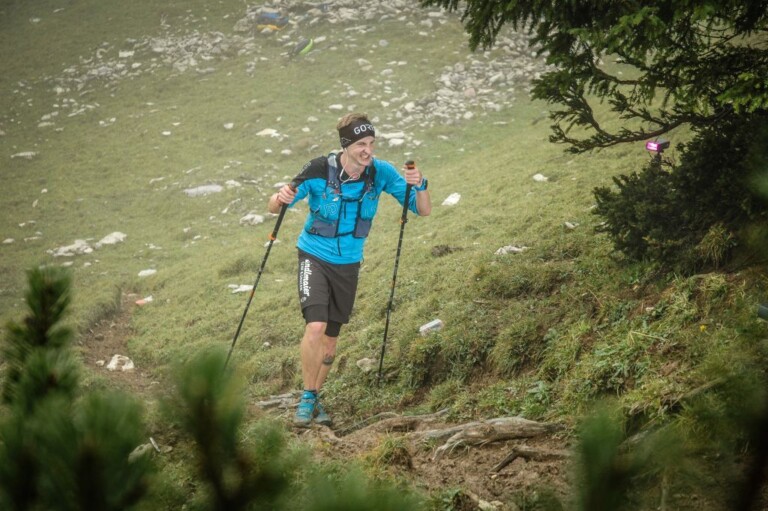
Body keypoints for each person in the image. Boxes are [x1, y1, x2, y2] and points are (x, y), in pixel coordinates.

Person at [268, 112, 432, 427]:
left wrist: (420, 184)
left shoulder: (380, 173)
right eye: (361, 144)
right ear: (346, 145)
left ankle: (315, 396)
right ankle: (306, 396)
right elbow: (275, 206)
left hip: (348, 264)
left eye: (371, 143)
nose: (368, 150)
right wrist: (279, 197)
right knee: (316, 326)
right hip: (314, 256)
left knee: (330, 343)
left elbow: (422, 210)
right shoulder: (318, 169)